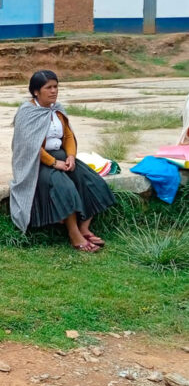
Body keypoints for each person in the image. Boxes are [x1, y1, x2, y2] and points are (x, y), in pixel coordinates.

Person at [9, 70, 116, 252]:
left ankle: (84, 228)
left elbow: (67, 136)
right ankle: (74, 235)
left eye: (56, 86)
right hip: (35, 164)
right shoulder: (27, 112)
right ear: (36, 91)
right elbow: (30, 146)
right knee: (64, 187)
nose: (53, 91)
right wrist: (53, 163)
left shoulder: (57, 109)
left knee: (91, 181)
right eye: (48, 87)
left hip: (61, 157)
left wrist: (71, 156)